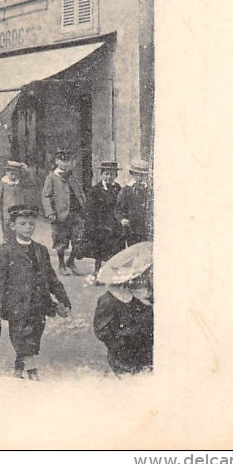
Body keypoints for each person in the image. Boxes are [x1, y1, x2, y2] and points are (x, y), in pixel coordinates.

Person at [0, 205, 71, 381]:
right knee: (21, 339)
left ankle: (18, 371)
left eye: (31, 224)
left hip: (39, 305)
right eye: (23, 223)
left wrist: (64, 300)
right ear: (13, 226)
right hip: (16, 307)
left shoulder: (40, 250)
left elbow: (51, 278)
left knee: (32, 340)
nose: (28, 227)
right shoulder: (6, 251)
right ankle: (33, 374)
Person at [94, 242, 153, 376]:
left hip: (146, 351)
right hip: (124, 356)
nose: (144, 279)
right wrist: (120, 346)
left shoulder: (144, 296)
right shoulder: (110, 300)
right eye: (140, 277)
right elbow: (102, 330)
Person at [41, 148, 87, 274]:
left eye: (68, 161)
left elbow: (79, 192)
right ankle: (62, 265)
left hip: (76, 213)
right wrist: (50, 212)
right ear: (57, 161)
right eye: (62, 160)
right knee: (61, 240)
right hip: (60, 214)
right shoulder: (52, 177)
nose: (65, 163)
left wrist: (84, 205)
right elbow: (45, 196)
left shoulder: (73, 176)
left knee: (79, 239)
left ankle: (71, 261)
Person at [87, 161, 123, 274]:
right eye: (106, 174)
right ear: (102, 174)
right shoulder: (95, 190)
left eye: (112, 174)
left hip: (114, 223)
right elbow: (90, 210)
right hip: (100, 224)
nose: (109, 177)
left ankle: (113, 271)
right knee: (100, 248)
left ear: (116, 176)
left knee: (115, 248)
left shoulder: (118, 188)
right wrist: (93, 225)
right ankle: (97, 270)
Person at [117, 159, 153, 247]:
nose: (140, 178)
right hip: (132, 229)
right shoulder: (126, 190)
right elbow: (118, 209)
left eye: (143, 175)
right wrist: (122, 219)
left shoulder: (150, 191)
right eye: (137, 174)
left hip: (147, 228)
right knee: (133, 252)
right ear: (132, 174)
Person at [0, 161, 28, 242]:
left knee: (18, 234)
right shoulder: (2, 184)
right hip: (7, 215)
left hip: (18, 214)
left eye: (16, 174)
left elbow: (29, 179)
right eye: (11, 174)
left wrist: (25, 169)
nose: (13, 176)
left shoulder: (19, 183)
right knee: (7, 233)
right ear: (7, 172)